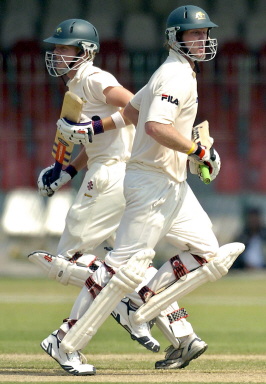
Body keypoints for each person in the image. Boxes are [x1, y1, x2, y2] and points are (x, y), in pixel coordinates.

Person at [31, 17, 208, 376]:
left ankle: (77, 331)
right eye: (56, 48)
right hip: (113, 171)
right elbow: (93, 144)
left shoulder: (93, 78)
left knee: (68, 260)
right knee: (130, 263)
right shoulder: (76, 86)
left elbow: (133, 108)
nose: (56, 54)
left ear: (86, 52)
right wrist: (67, 170)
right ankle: (180, 333)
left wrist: (91, 127)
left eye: (65, 49)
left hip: (113, 177)